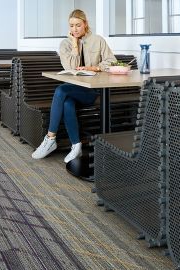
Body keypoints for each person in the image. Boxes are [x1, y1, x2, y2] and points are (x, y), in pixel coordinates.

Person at [31, 9, 116, 163]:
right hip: (74, 89)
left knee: (61, 90)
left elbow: (112, 61)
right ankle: (76, 146)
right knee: (67, 102)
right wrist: (75, 46)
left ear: (85, 24)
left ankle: (50, 139)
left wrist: (94, 68)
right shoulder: (65, 45)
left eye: (78, 25)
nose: (74, 29)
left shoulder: (98, 40)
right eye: (71, 26)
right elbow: (70, 67)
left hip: (92, 91)